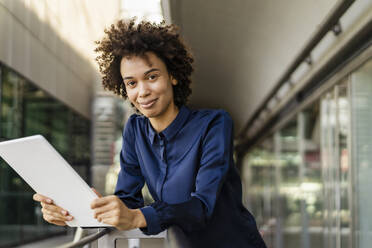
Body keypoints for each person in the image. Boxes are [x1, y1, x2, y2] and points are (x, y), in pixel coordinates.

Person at [33, 19, 267, 248]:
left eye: (151, 77)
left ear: (172, 75)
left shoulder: (215, 124)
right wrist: (86, 205)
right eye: (131, 83)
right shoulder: (135, 130)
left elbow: (201, 207)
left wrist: (137, 217)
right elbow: (128, 200)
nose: (142, 91)